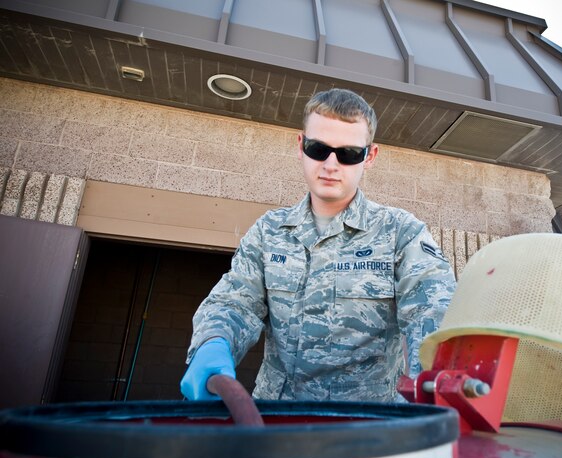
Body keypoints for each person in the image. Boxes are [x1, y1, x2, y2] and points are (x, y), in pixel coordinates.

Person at [180, 88, 455, 402]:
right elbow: (235, 303)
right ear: (301, 146)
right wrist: (213, 342)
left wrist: (433, 388)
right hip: (276, 422)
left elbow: (433, 312)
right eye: (318, 148)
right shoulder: (269, 231)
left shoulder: (401, 233)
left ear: (370, 156)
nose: (331, 164)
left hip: (367, 430)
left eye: (349, 153)